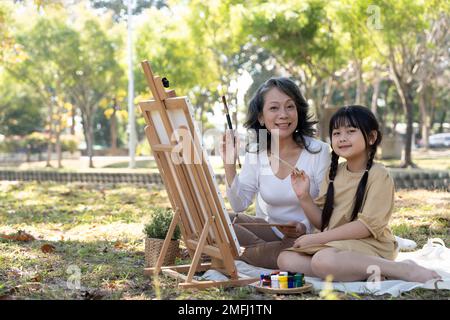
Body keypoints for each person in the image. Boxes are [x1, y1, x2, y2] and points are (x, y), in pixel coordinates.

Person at [277, 105, 441, 283]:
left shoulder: (379, 175)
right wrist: (304, 197)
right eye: (337, 133)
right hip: (337, 244)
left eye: (350, 131)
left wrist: (317, 238)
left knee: (323, 260)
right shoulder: (332, 174)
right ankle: (361, 269)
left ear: (371, 137)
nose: (342, 138)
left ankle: (400, 268)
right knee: (285, 259)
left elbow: (365, 227)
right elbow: (323, 222)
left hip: (371, 244)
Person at [220, 77, 331, 269]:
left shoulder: (318, 151)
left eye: (290, 106)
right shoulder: (258, 151)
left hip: (305, 238)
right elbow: (239, 205)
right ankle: (261, 252)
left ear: (298, 111)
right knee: (218, 220)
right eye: (274, 108)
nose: (283, 114)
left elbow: (328, 214)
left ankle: (249, 253)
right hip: (270, 231)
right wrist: (229, 165)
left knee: (279, 254)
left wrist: (303, 226)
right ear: (261, 118)